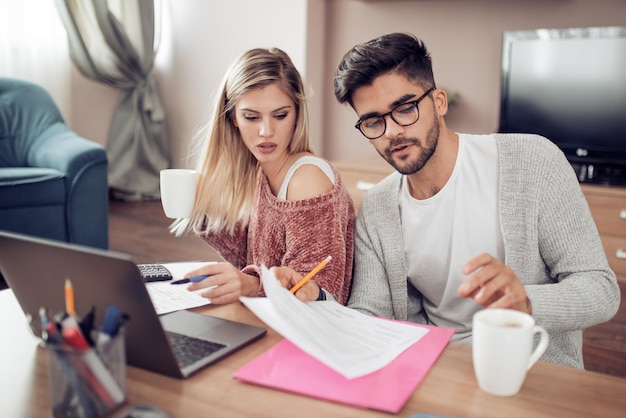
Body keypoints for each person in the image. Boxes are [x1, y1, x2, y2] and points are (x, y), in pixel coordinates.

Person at [331, 32, 620, 368]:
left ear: (439, 102)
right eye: (373, 121)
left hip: (525, 371)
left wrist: (526, 300)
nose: (392, 131)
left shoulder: (533, 162)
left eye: (405, 108)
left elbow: (601, 290)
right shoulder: (378, 206)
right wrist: (319, 306)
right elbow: (370, 313)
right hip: (432, 370)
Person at [171, 48, 355, 305]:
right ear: (232, 117)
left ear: (297, 114)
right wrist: (203, 206)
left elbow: (317, 291)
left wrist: (251, 283)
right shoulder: (261, 172)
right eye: (251, 117)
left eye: (280, 115)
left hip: (313, 335)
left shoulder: (306, 178)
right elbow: (249, 261)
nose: (266, 131)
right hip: (272, 322)